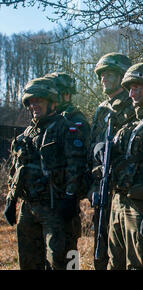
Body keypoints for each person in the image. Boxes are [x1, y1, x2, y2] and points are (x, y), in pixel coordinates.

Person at [3, 77, 87, 269]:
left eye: (39, 100)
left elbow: (77, 166)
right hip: (28, 208)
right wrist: (10, 200)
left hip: (56, 207)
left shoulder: (66, 129)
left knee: (63, 261)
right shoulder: (26, 135)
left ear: (52, 102)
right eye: (31, 101)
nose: (34, 105)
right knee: (29, 261)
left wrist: (70, 198)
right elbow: (16, 170)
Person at [99, 63, 143, 269]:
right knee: (115, 263)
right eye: (130, 88)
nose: (131, 93)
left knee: (139, 265)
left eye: (137, 88)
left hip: (140, 206)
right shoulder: (128, 125)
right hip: (118, 202)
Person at [88, 52, 134, 270]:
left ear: (122, 76)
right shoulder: (101, 110)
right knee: (100, 247)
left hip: (124, 190)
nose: (103, 79)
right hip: (101, 187)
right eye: (101, 75)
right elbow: (91, 150)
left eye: (109, 74)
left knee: (122, 253)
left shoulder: (133, 106)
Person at [44, 72, 91, 263]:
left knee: (70, 250)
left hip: (66, 196)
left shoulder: (75, 120)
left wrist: (71, 196)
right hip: (46, 197)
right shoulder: (48, 119)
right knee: (49, 253)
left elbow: (80, 161)